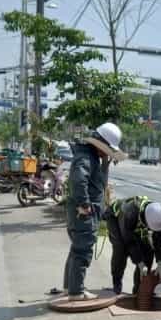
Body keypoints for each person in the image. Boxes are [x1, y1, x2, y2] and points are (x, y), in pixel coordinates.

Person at [60, 122, 126, 301]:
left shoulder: (89, 156)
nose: (107, 153)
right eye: (107, 149)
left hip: (85, 212)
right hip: (85, 213)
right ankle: (76, 292)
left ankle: (70, 287)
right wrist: (85, 204)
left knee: (77, 249)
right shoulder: (86, 157)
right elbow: (78, 179)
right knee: (82, 251)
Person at [103, 197, 161, 295]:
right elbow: (129, 241)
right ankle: (117, 284)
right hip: (116, 219)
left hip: (134, 224)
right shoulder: (129, 212)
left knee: (148, 251)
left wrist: (160, 262)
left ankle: (139, 289)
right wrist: (139, 262)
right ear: (145, 220)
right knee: (121, 249)